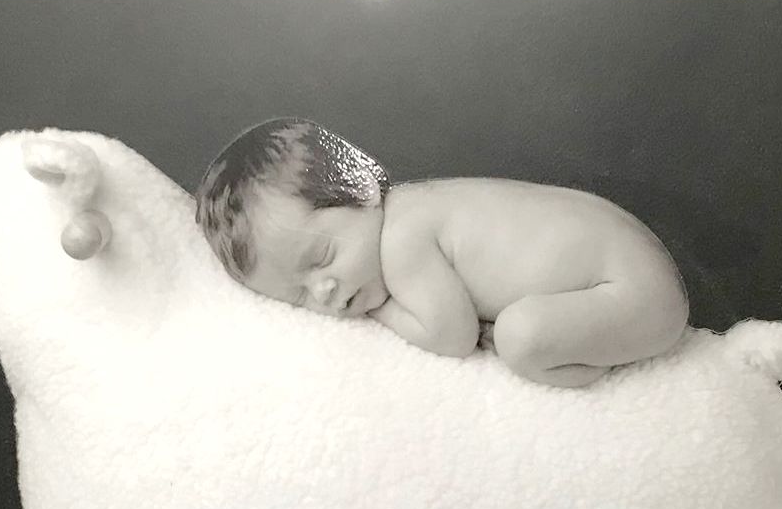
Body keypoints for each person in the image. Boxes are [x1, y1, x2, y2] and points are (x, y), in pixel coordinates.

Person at [195, 118, 689, 388]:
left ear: (360, 190)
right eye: (298, 296)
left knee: (519, 338)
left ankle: (597, 371)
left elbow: (452, 337)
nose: (323, 291)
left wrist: (382, 311)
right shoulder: (414, 204)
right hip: (631, 270)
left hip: (636, 297)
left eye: (321, 257)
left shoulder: (402, 241)